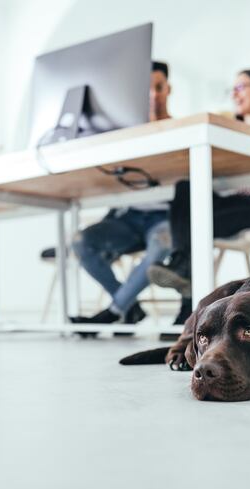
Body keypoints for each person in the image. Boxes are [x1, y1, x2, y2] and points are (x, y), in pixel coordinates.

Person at [148, 69, 250, 303]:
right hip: (236, 201)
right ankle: (181, 266)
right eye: (233, 90)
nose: (235, 95)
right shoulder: (231, 130)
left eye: (241, 87)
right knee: (185, 190)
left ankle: (184, 285)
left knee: (195, 226)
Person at [70, 61, 191, 333]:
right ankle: (129, 306)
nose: (152, 94)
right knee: (80, 242)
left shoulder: (183, 130)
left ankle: (113, 312)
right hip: (128, 218)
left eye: (158, 87)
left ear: (168, 89)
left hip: (164, 216)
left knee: (161, 243)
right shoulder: (126, 134)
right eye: (146, 89)